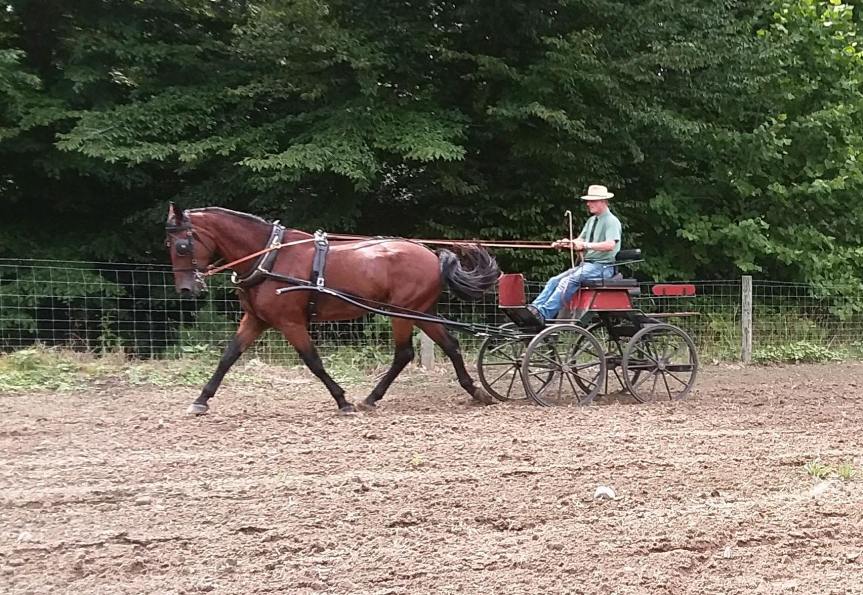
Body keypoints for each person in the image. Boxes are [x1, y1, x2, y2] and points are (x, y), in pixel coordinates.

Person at [527, 184, 623, 324]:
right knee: (554, 280)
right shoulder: (591, 221)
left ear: (603, 201)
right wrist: (567, 243)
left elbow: (610, 245)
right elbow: (580, 240)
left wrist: (585, 245)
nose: (588, 203)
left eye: (592, 201)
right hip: (587, 266)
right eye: (588, 201)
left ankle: (544, 314)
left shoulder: (611, 221)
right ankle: (534, 309)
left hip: (602, 267)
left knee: (568, 281)